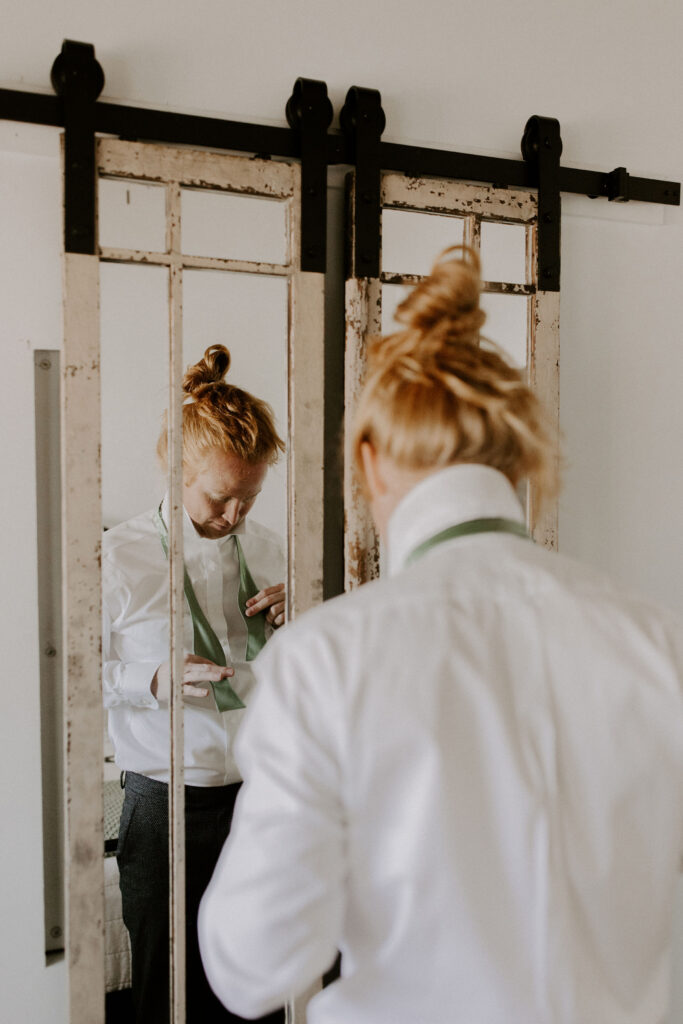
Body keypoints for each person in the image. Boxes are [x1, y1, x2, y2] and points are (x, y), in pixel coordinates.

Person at [198, 247, 683, 1024]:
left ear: (368, 459)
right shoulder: (657, 643)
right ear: (520, 457)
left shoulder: (327, 661)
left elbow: (253, 964)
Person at [103, 344, 286, 1024]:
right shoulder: (117, 558)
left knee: (259, 992)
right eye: (219, 495)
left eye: (250, 496)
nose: (233, 515)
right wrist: (150, 676)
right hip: (163, 806)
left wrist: (304, 622)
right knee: (167, 994)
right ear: (178, 471)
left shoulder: (272, 551)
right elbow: (70, 678)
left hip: (261, 799)